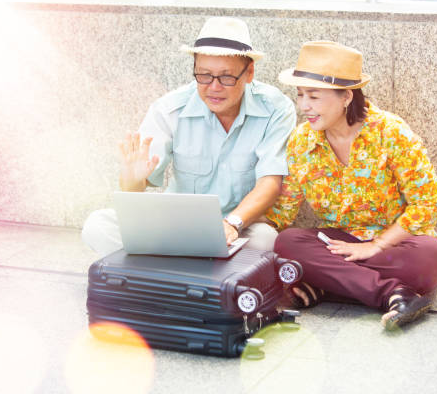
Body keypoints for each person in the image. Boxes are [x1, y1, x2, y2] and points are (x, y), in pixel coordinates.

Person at [266, 41, 437, 330]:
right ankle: (395, 294)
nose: (303, 106)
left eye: (313, 96)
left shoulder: (390, 132)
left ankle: (327, 284)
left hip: (396, 245)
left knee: (430, 257)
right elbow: (283, 212)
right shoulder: (302, 141)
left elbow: (429, 201)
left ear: (346, 97)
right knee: (288, 244)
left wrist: (377, 245)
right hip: (339, 243)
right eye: (300, 96)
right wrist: (235, 231)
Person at [82, 17, 296, 257]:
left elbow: (270, 183)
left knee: (266, 241)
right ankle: (198, 272)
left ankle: (165, 270)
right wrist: (132, 179)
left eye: (226, 77)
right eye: (204, 75)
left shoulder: (276, 108)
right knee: (98, 225)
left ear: (249, 73)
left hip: (238, 224)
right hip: (175, 223)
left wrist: (232, 224)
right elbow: (134, 190)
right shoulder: (169, 109)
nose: (214, 87)